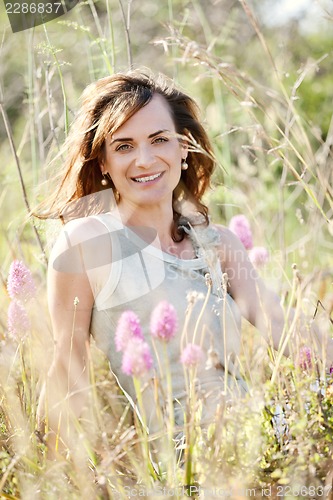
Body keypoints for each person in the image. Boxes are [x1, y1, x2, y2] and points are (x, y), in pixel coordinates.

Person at [36, 69, 332, 461]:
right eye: (123, 146)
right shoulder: (88, 242)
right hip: (184, 459)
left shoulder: (218, 244)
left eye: (159, 140)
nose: (144, 160)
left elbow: (284, 327)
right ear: (103, 162)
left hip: (264, 435)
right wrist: (41, 474)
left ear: (184, 147)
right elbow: (66, 362)